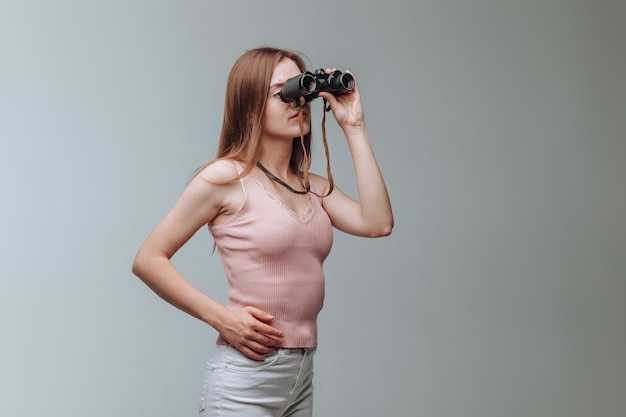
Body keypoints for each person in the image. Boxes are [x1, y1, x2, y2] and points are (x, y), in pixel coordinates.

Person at [131, 46, 393, 417]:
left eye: (302, 90)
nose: (297, 101)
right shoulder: (226, 178)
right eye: (282, 92)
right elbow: (147, 259)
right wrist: (221, 317)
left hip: (300, 378)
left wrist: (354, 125)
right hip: (245, 380)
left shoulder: (313, 187)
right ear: (251, 108)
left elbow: (378, 222)